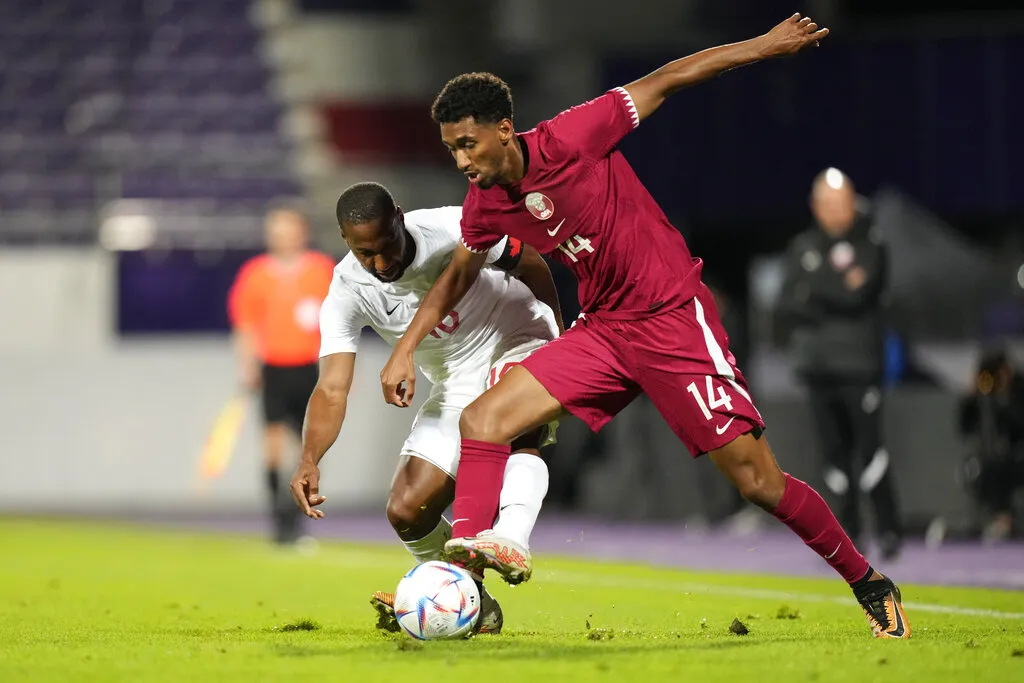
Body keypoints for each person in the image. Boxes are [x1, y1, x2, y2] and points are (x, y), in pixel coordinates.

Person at [380, 14, 910, 638]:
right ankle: (460, 581)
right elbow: (459, 273)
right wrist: (405, 348)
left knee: (757, 481)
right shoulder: (485, 202)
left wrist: (764, 47)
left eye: (468, 144)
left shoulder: (575, 135)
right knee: (483, 420)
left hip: (672, 321)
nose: (462, 160)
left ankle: (869, 582)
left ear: (504, 129)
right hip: (604, 332)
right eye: (451, 150)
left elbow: (670, 77)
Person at [288, 182, 562, 634]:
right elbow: (332, 388)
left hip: (517, 339)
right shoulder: (347, 290)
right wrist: (310, 458)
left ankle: (511, 537)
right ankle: (468, 600)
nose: (380, 263)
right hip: (456, 383)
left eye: (385, 246)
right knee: (406, 509)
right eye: (364, 253)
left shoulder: (451, 226)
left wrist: (559, 332)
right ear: (345, 241)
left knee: (508, 424)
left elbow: (529, 259)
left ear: (400, 216)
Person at [777, 168, 903, 560]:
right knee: (833, 456)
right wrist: (834, 290)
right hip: (817, 368)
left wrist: (815, 292)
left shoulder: (871, 241)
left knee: (869, 450)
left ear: (853, 202)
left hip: (860, 365)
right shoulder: (801, 247)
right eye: (828, 203)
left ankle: (888, 529)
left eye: (842, 202)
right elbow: (786, 304)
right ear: (815, 206)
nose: (835, 211)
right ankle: (846, 535)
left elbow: (861, 292)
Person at [228, 205, 335, 545]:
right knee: (274, 448)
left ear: (301, 232)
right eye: (276, 231)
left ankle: (297, 520)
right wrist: (247, 365)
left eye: (288, 230)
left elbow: (339, 324)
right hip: (273, 369)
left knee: (308, 450)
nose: (282, 237)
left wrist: (338, 371)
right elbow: (245, 324)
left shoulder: (322, 270)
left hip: (311, 369)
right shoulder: (255, 274)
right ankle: (280, 523)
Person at [959, 345, 1024, 542]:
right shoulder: (984, 391)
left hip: (1018, 455)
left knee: (1001, 465)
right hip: (990, 457)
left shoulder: (1019, 387)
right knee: (979, 469)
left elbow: (1019, 425)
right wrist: (970, 397)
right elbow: (964, 427)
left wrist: (1006, 395)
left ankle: (1006, 520)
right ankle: (1001, 519)